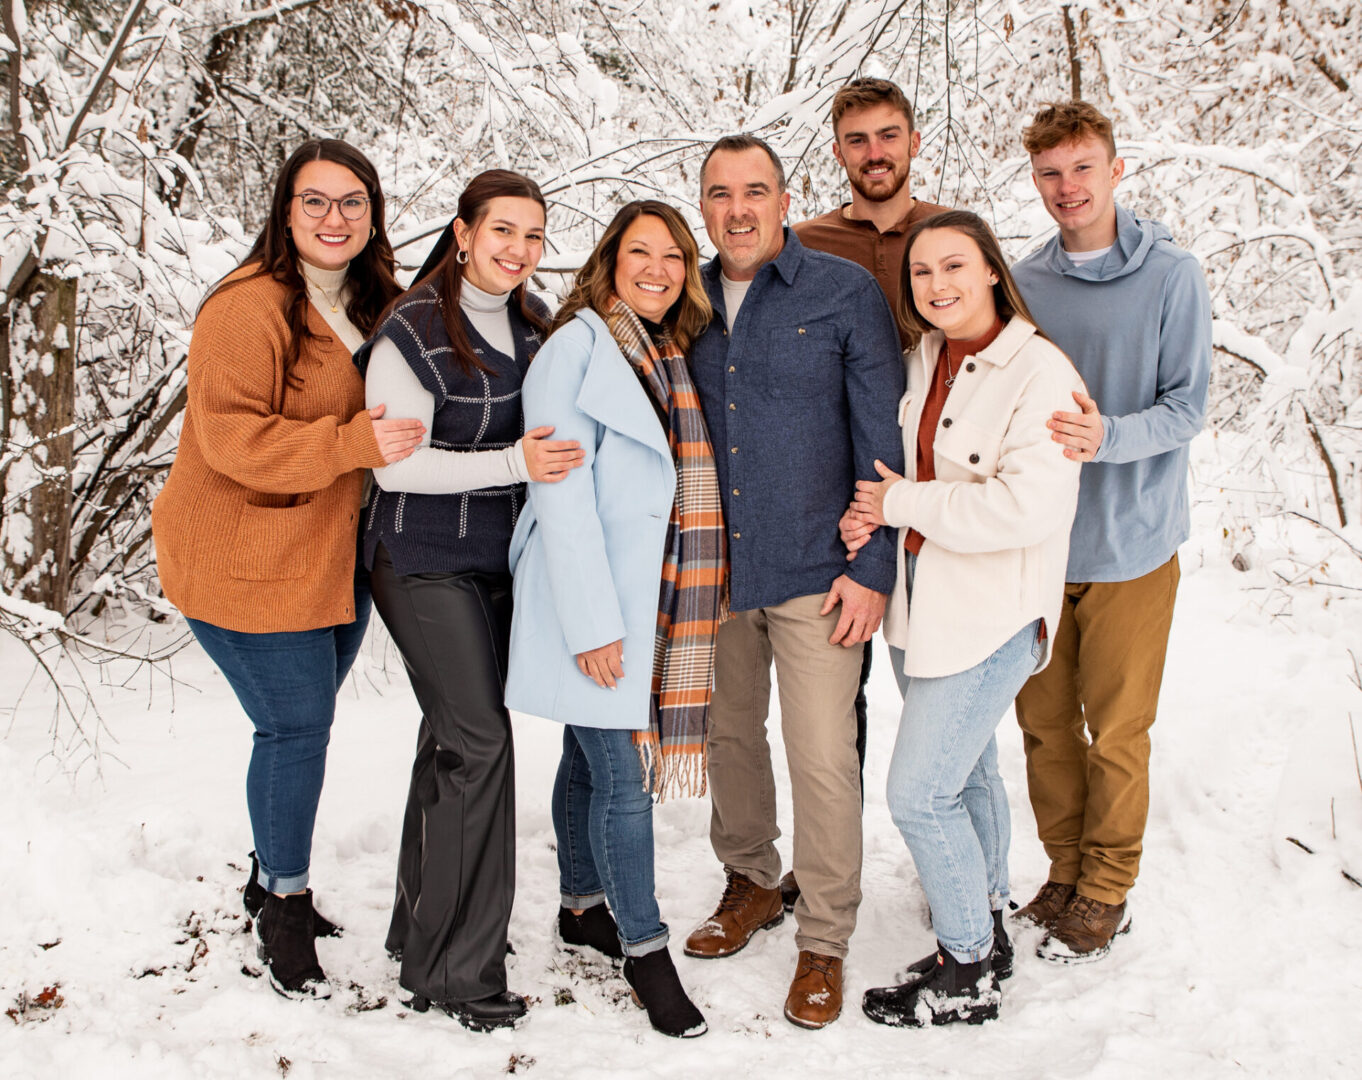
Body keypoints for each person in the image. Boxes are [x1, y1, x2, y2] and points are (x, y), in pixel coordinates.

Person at [152, 139, 422, 999]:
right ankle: (284, 907)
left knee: (299, 724)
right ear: (285, 210)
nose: (334, 218)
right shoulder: (247, 306)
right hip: (245, 555)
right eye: (315, 202)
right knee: (296, 728)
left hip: (333, 557)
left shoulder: (373, 297)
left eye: (352, 202)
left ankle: (270, 872)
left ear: (372, 212)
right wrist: (354, 442)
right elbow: (230, 439)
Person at [681, 135, 905, 1029]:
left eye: (755, 192)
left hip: (820, 574)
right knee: (730, 740)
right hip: (719, 576)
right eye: (720, 193)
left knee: (821, 757)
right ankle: (749, 882)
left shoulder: (841, 294)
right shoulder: (683, 299)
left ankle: (824, 938)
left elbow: (881, 443)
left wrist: (874, 567)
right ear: (702, 205)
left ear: (785, 199)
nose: (738, 209)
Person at [356, 170, 585, 1031]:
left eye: (533, 236)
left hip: (495, 564)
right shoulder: (412, 331)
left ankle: (422, 925)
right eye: (502, 232)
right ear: (462, 232)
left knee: (451, 739)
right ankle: (457, 973)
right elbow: (395, 465)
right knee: (480, 746)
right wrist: (516, 465)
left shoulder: (533, 322)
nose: (518, 251)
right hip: (417, 562)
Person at [843, 209, 1082, 1026]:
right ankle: (984, 921)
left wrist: (900, 502)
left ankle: (968, 968)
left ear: (990, 271)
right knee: (968, 770)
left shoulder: (1039, 372)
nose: (937, 285)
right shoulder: (924, 357)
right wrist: (872, 513)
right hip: (922, 608)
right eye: (921, 273)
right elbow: (893, 470)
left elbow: (1024, 509)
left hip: (991, 614)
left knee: (918, 795)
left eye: (954, 267)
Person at [505, 200, 723, 1039]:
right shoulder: (579, 346)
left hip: (646, 597)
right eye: (641, 252)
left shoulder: (665, 351)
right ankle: (646, 948)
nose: (659, 269)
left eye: (674, 255)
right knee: (623, 780)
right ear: (609, 260)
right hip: (593, 604)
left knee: (586, 759)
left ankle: (580, 906)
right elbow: (560, 493)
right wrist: (595, 625)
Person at [1009, 101, 1211, 962]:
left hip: (1132, 546)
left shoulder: (1172, 275)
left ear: (1116, 169)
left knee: (1117, 733)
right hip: (1039, 550)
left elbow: (1189, 405)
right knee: (1045, 727)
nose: (1068, 187)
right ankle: (1062, 870)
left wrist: (1111, 438)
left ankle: (1105, 888)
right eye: (1051, 173)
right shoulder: (1023, 281)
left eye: (1083, 168)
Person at [783, 75, 950, 913]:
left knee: (935, 690)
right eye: (857, 139)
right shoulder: (804, 245)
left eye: (888, 135)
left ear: (913, 142)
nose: (874, 153)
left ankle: (945, 864)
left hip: (937, 499)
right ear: (839, 150)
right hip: (837, 505)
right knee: (830, 706)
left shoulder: (952, 237)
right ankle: (823, 860)